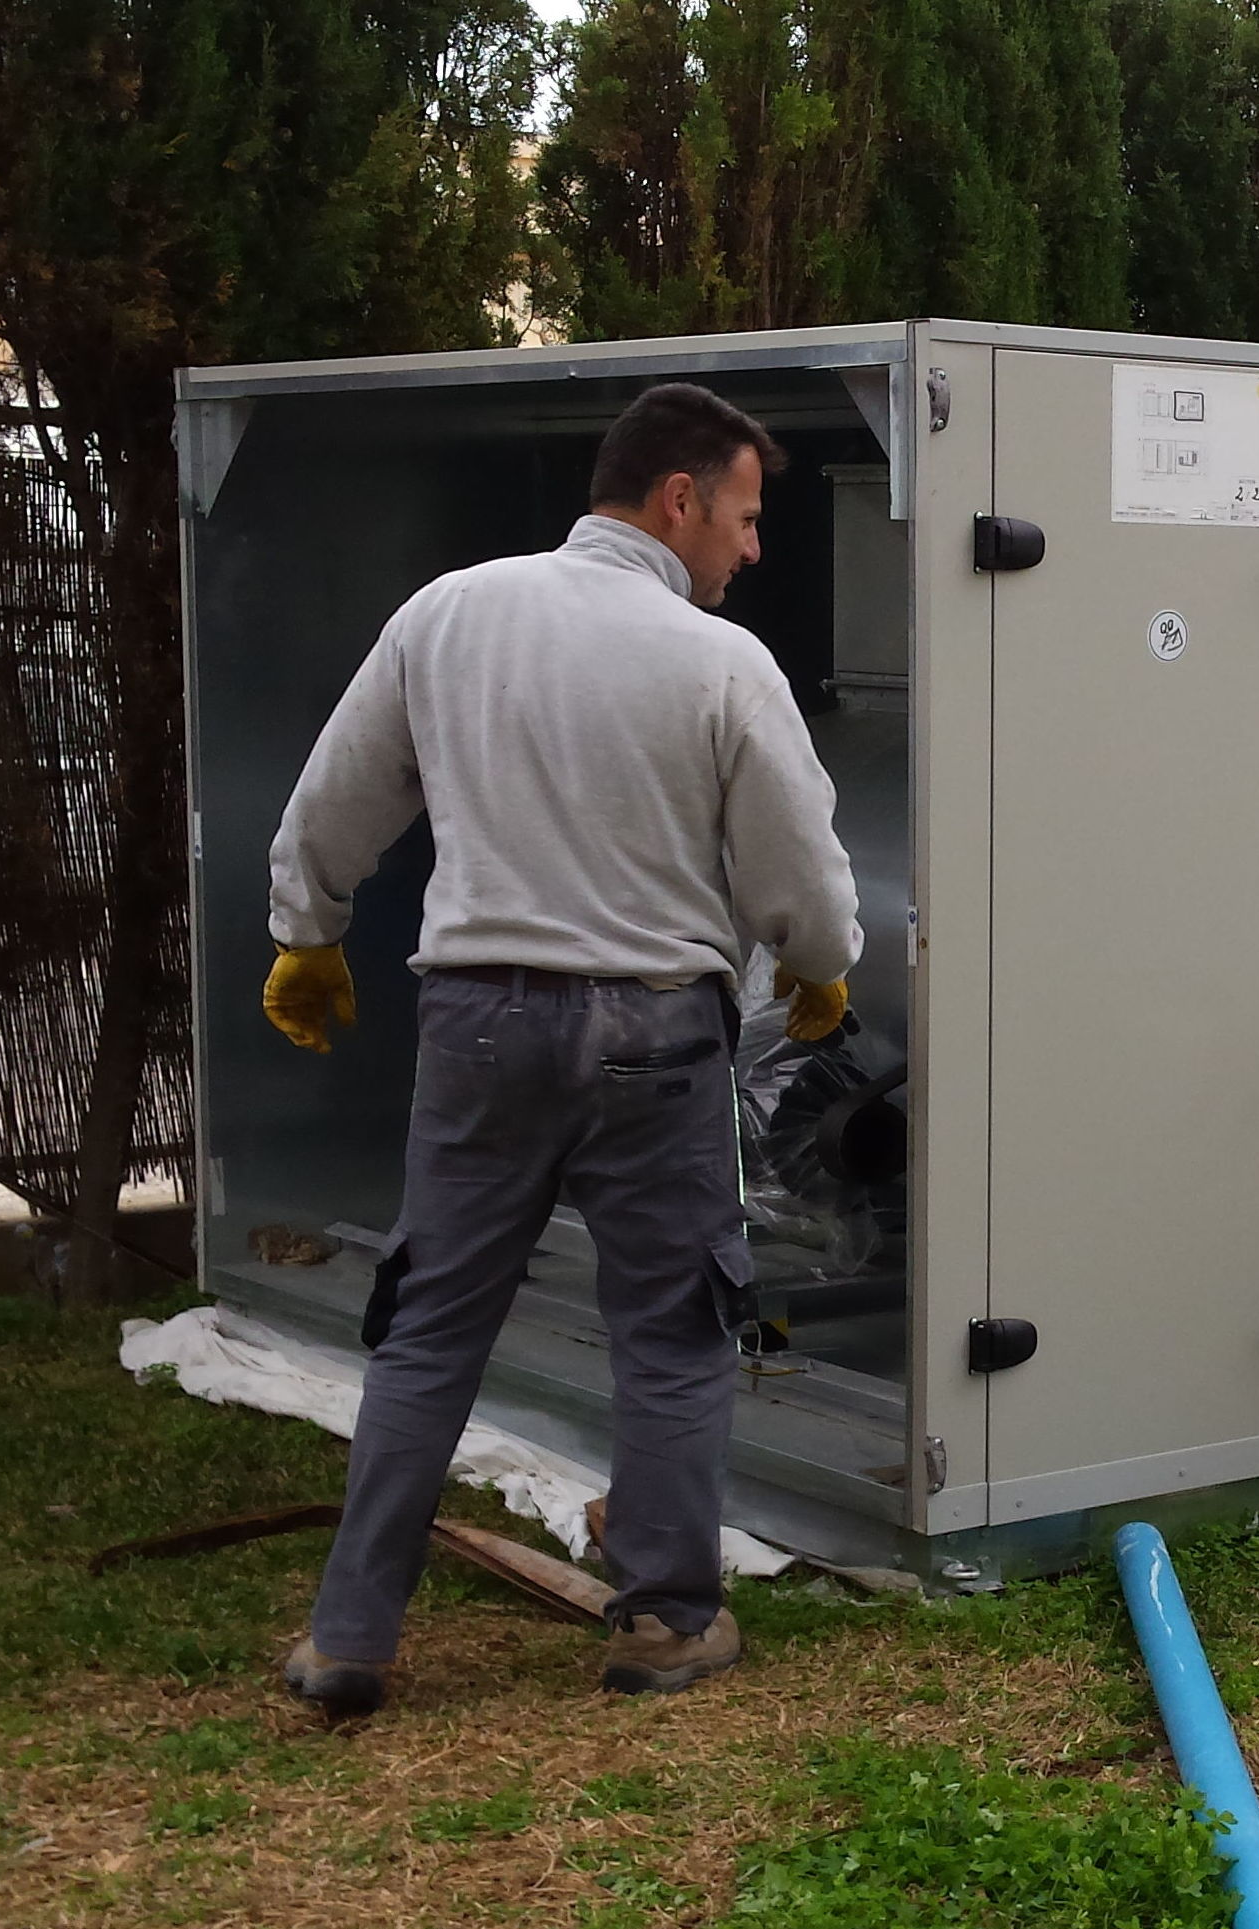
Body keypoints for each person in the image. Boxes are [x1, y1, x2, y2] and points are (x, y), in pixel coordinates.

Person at [256, 383, 862, 1715]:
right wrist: (819, 966)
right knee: (670, 1331)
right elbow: (798, 873)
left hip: (478, 1022)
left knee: (429, 1330)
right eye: (747, 519)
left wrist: (307, 932)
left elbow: (337, 795)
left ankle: (349, 1639)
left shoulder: (450, 613)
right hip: (655, 1031)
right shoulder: (717, 661)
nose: (753, 551)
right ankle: (664, 1622)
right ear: (679, 500)